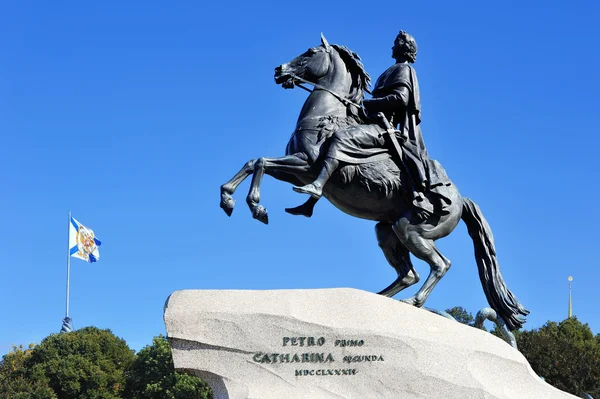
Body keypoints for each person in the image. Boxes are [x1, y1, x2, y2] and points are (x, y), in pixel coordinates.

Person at [287, 30, 451, 220]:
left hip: (384, 126)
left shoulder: (404, 70)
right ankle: (310, 203)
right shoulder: (390, 71)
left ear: (404, 47)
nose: (392, 46)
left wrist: (370, 103)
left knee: (341, 138)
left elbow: (401, 98)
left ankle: (317, 185)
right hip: (374, 119)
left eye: (396, 42)